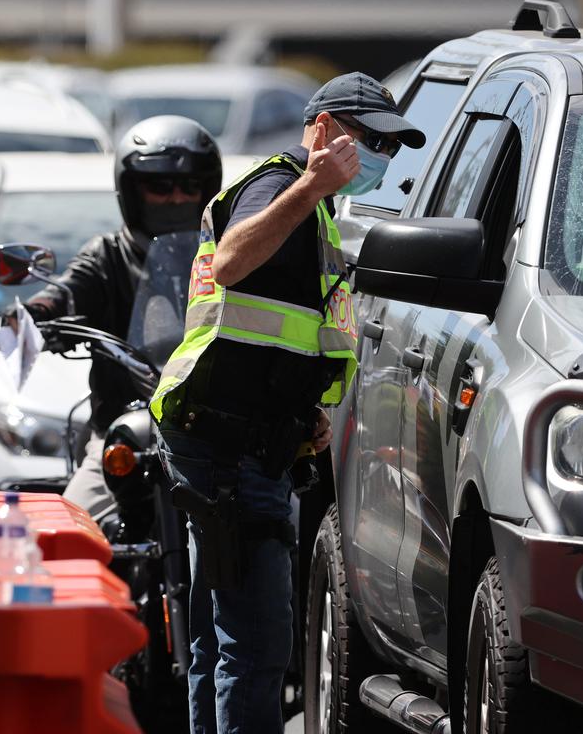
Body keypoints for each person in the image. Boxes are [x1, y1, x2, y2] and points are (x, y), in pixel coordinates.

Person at [149, 72, 425, 734]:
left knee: (221, 646)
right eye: (369, 142)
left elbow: (275, 325)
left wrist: (307, 409)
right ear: (325, 129)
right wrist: (311, 185)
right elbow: (236, 260)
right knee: (258, 651)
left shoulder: (312, 209)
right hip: (230, 449)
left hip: (242, 438)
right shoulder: (281, 187)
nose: (377, 161)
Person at [8, 115, 222, 522]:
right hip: (127, 427)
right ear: (132, 192)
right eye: (160, 187)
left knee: (281, 527)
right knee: (60, 537)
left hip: (206, 429)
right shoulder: (107, 255)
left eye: (190, 186)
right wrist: (37, 313)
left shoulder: (228, 256)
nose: (176, 198)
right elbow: (67, 290)